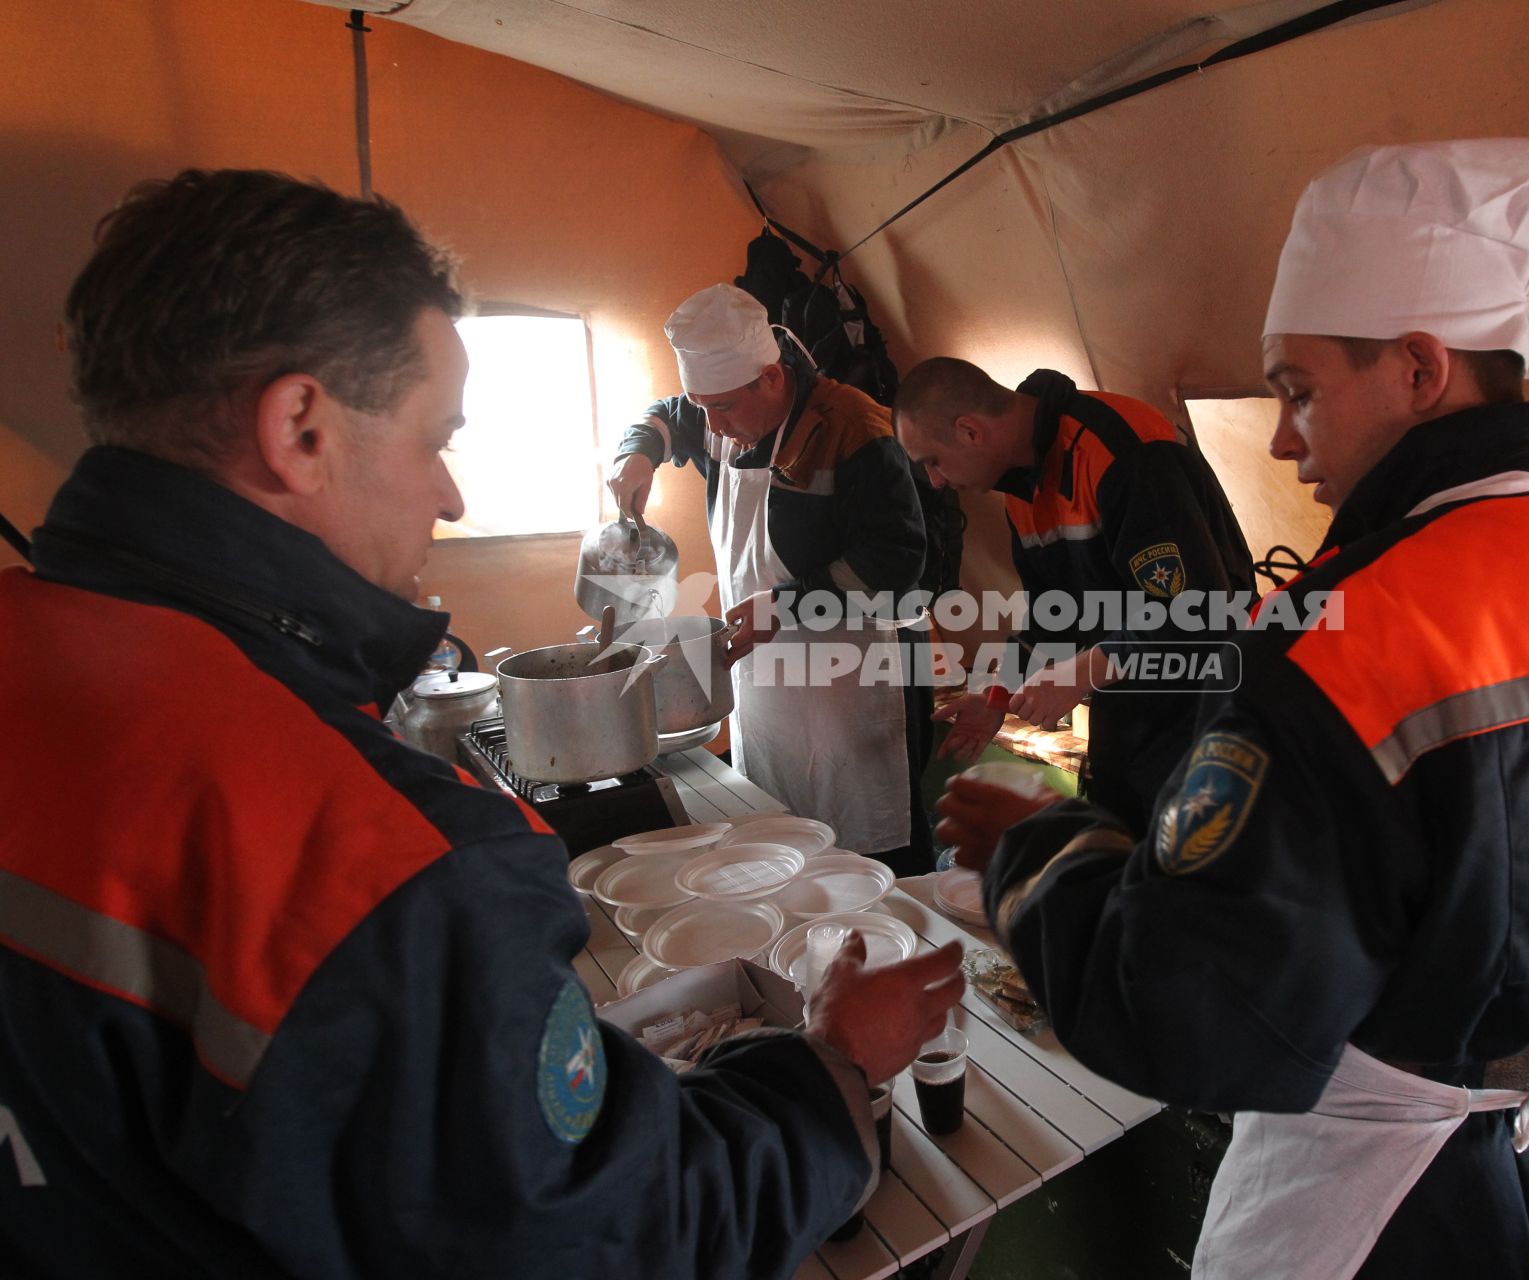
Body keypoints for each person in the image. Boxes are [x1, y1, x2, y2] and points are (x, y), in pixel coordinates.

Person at [934, 138, 1529, 1279]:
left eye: (1300, 391)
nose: (1287, 437)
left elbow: (1194, 1011)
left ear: (1418, 369)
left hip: (1404, 1197)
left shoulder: (1345, 641)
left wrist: (1038, 849)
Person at [0, 169, 963, 1279]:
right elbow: (611, 1233)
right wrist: (831, 1069)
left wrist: (789, 610)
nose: (450, 497)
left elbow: (906, 571)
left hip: (844, 684)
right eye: (432, 437)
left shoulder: (852, 428)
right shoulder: (384, 868)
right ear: (298, 428)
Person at [607, 286, 935, 873]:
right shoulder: (718, 410)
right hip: (771, 682)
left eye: (724, 408)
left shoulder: (855, 429)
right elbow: (665, 414)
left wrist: (786, 607)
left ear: (770, 378)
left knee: (872, 855)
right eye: (701, 405)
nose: (711, 425)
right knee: (782, 839)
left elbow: (893, 563)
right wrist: (637, 454)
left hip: (856, 678)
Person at [893, 358, 1255, 834]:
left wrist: (1082, 670)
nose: (936, 482)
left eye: (932, 462)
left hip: (1205, 707)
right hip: (1127, 709)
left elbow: (1199, 612)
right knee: (1118, 854)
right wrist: (997, 694)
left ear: (969, 431)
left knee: (1188, 872)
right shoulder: (1022, 485)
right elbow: (1051, 614)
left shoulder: (1123, 449)